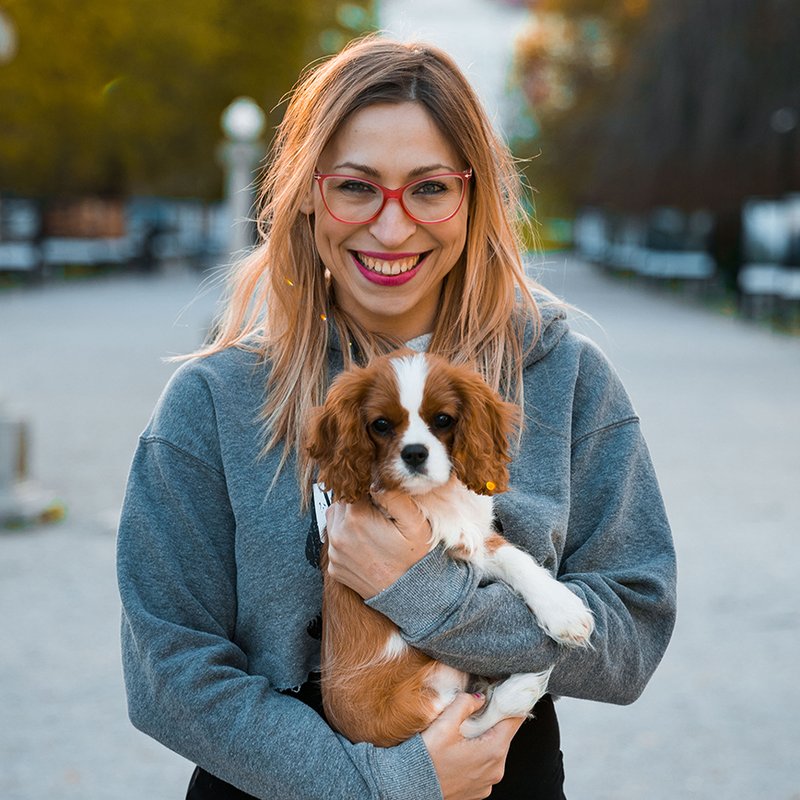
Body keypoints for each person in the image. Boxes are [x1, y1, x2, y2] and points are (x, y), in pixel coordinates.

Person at [117, 36, 677, 800]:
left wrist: (426, 594)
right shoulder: (215, 399)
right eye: (355, 186)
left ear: (474, 196)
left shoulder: (566, 378)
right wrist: (390, 783)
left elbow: (630, 637)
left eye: (429, 188)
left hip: (495, 777)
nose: (390, 227)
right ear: (308, 193)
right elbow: (169, 670)